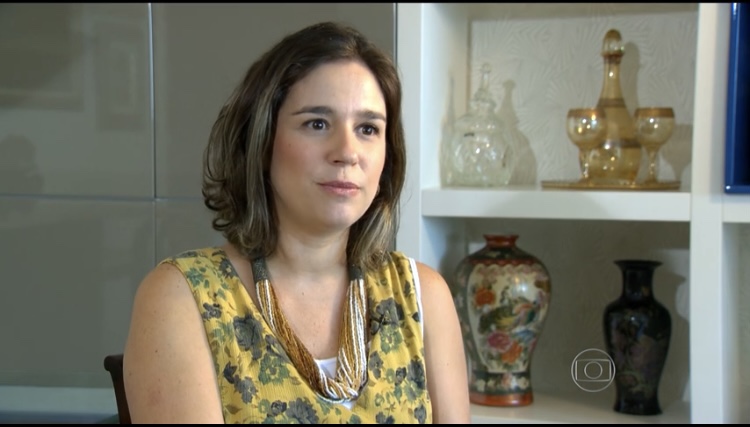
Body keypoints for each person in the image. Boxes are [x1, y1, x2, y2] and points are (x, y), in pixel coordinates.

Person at [122, 21, 470, 424]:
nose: (347, 152)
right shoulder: (181, 297)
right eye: (317, 124)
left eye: (368, 129)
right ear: (262, 141)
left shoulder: (424, 296)